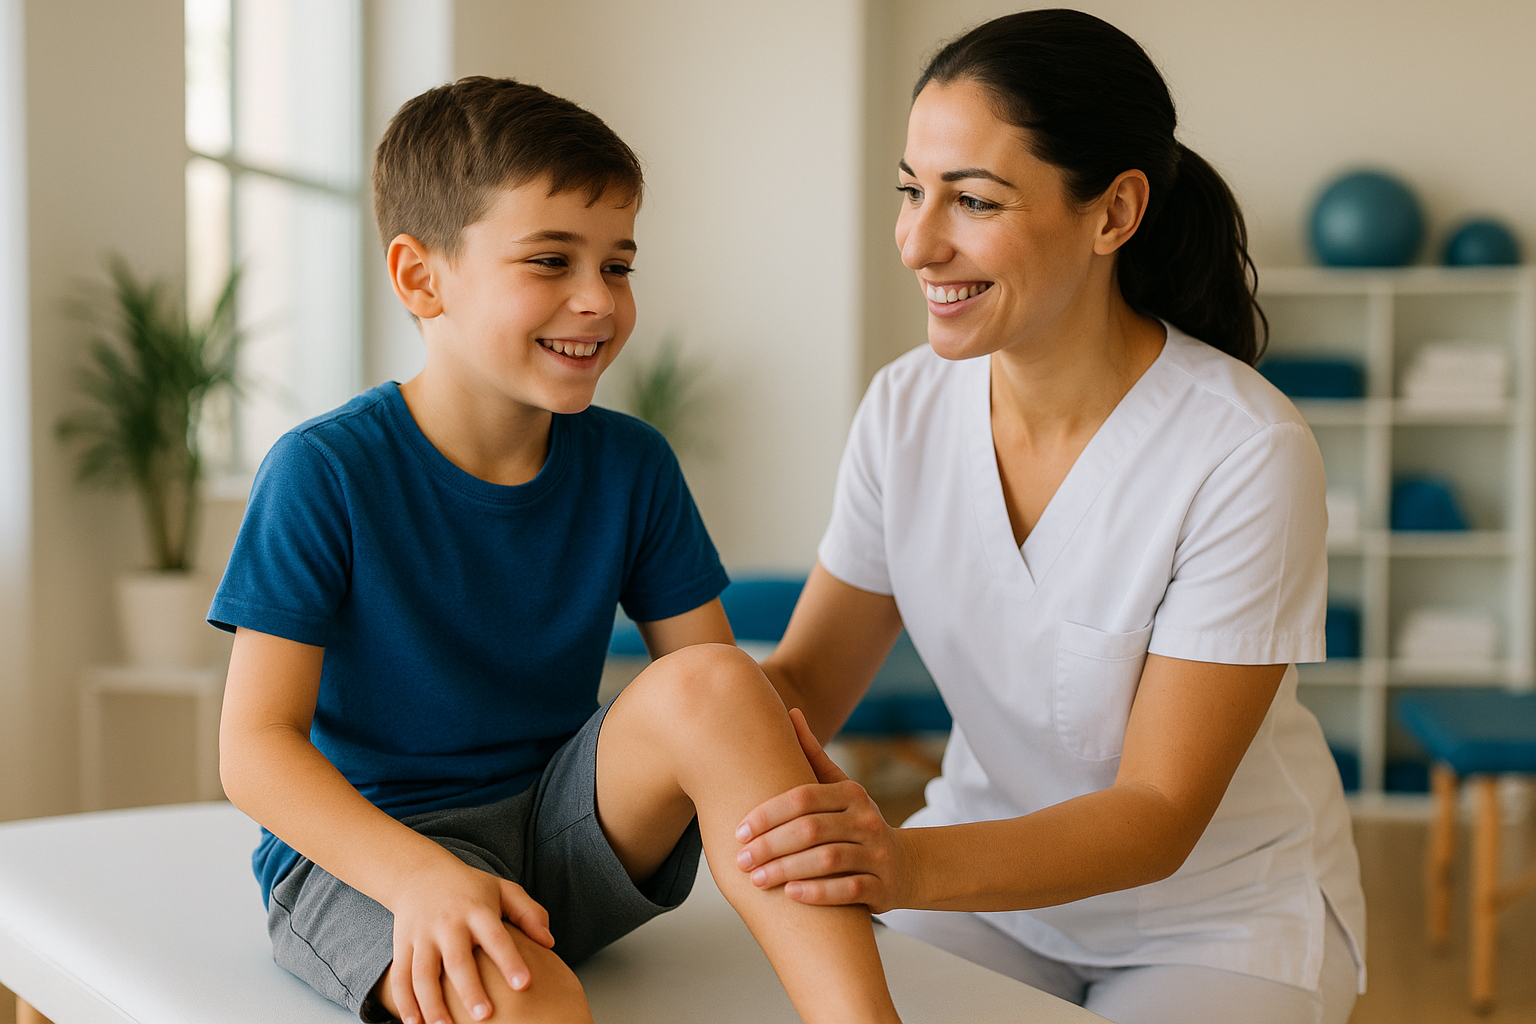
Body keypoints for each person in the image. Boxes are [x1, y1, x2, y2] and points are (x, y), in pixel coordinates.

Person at [212, 78, 905, 1024]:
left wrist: (809, 799)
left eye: (617, 266)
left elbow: (714, 699)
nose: (597, 301)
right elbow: (254, 751)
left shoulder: (632, 465)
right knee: (539, 1007)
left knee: (715, 677)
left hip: (560, 830)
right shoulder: (323, 471)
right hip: (374, 857)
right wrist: (418, 876)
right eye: (550, 260)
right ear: (421, 277)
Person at [732, 11, 1365, 1024]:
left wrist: (895, 859)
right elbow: (807, 680)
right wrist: (644, 734)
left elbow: (1156, 815)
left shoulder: (1245, 449)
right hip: (985, 893)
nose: (917, 241)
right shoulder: (905, 407)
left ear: (1113, 213)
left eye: (973, 199)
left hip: (1217, 918)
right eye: (911, 190)